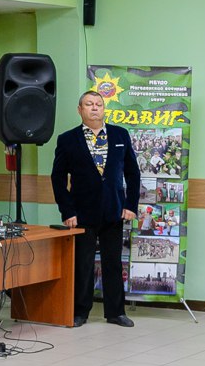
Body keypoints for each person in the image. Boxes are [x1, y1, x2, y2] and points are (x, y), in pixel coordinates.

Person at [51, 90, 142, 327]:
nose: (94, 108)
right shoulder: (68, 139)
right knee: (83, 264)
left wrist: (130, 205)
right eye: (89, 104)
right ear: (80, 110)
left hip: (114, 210)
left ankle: (115, 312)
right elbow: (58, 178)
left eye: (98, 104)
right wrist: (67, 211)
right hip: (82, 213)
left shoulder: (120, 134)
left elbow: (133, 173)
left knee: (113, 263)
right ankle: (80, 311)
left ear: (104, 109)